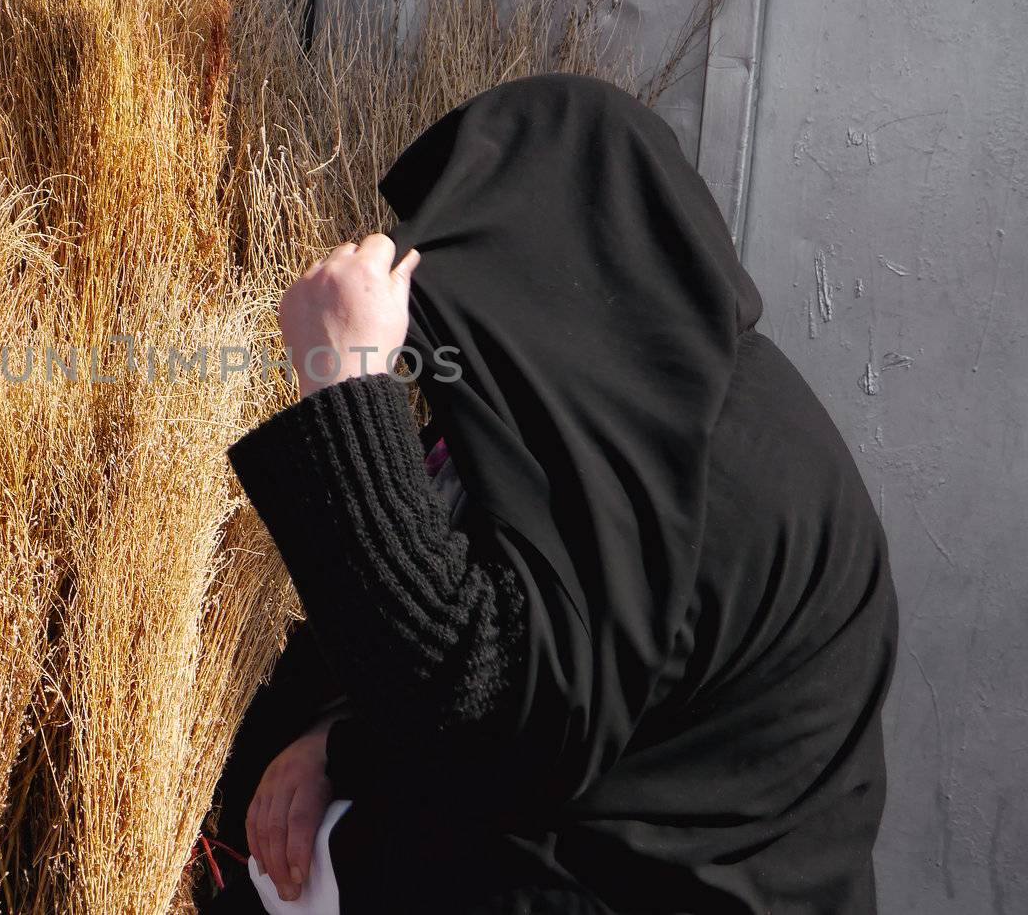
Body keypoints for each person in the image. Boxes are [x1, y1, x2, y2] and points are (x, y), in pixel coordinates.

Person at [205, 73, 899, 914]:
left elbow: (479, 719)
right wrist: (331, 739)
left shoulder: (711, 476)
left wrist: (346, 381)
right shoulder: (636, 405)